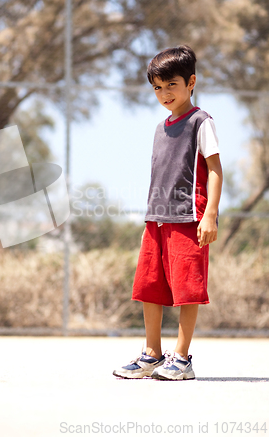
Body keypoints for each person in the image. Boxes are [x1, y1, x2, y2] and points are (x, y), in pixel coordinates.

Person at [113, 45, 223, 381]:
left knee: (187, 288)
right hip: (156, 219)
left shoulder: (201, 122)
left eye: (171, 85)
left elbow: (216, 170)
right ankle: (152, 354)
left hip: (189, 218)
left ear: (191, 82)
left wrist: (210, 215)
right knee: (150, 286)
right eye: (157, 88)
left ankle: (181, 358)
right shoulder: (160, 128)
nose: (164, 93)